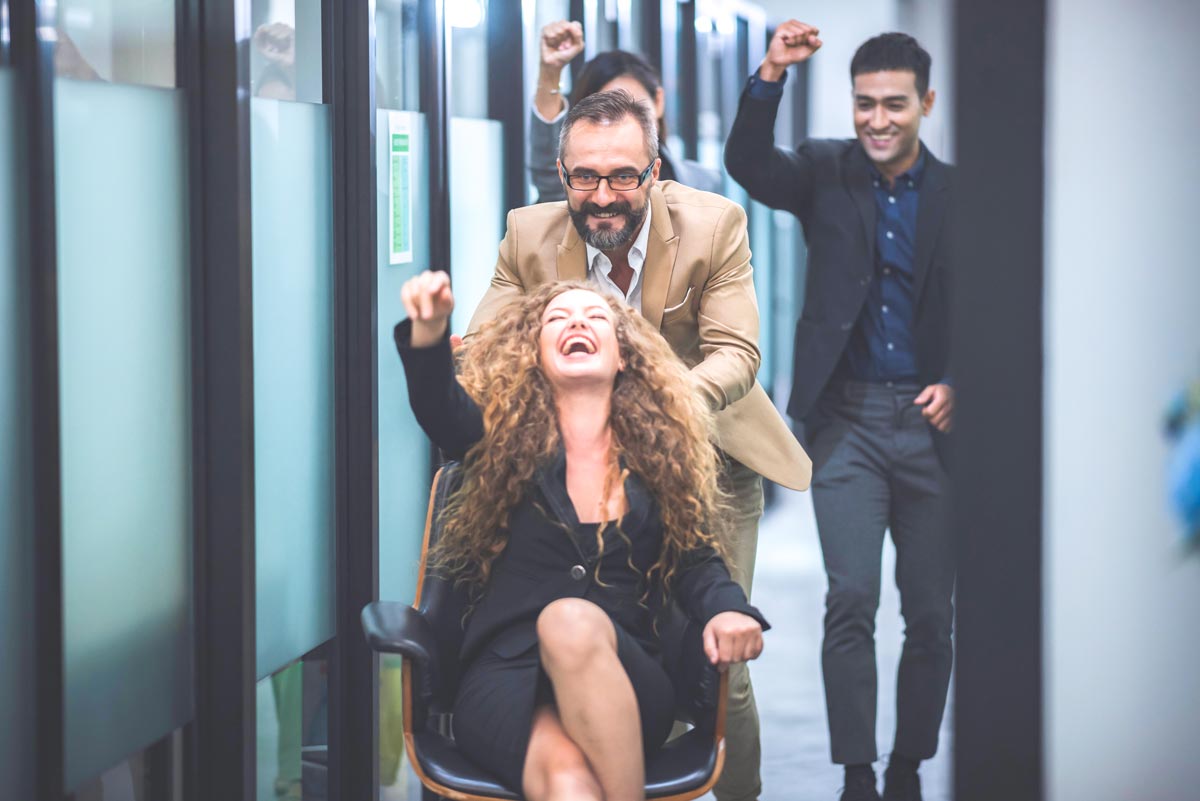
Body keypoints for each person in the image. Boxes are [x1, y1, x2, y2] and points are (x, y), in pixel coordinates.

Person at [468, 88, 811, 801]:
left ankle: (736, 792)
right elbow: (481, 350)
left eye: (623, 175)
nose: (603, 195)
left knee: (724, 662)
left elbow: (737, 353)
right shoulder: (529, 235)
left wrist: (653, 410)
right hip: (580, 455)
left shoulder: (715, 224)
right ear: (561, 175)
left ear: (654, 170)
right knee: (587, 623)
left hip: (708, 449)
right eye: (585, 177)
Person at [394, 273, 768, 801]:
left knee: (570, 621)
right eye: (558, 319)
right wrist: (429, 337)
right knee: (570, 788)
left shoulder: (660, 462)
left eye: (595, 318)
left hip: (624, 672)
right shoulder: (496, 443)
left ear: (622, 357)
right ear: (535, 355)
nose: (577, 323)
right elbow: (441, 412)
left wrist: (732, 611)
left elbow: (697, 563)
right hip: (508, 679)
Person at [725, 24, 956, 801]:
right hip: (848, 421)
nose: (878, 120)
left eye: (894, 104)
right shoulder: (826, 172)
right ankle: (858, 770)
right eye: (865, 105)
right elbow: (747, 164)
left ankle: (908, 766)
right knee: (850, 597)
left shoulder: (960, 195)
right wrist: (771, 75)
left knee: (929, 614)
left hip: (934, 430)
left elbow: (991, 305)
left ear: (925, 102)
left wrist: (961, 381)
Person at [530, 20, 720, 202]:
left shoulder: (701, 184)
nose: (627, 123)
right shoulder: (578, 186)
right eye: (609, 113)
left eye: (638, 108)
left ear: (659, 101)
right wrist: (550, 72)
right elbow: (550, 177)